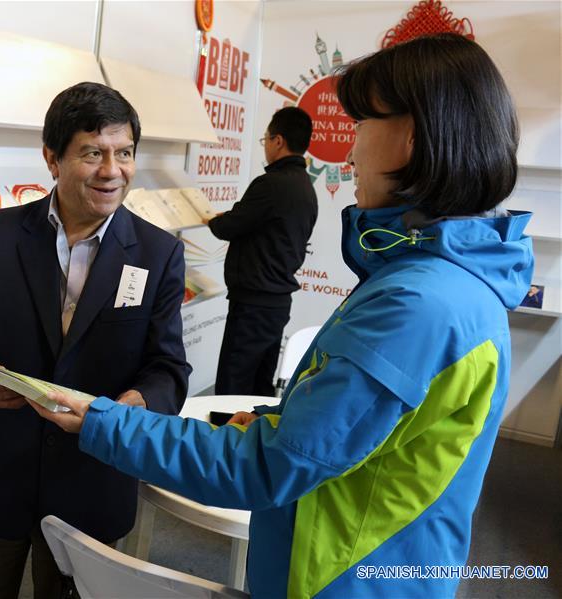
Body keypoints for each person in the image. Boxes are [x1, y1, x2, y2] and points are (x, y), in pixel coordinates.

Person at [29, 34, 532, 598]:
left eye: (362, 125)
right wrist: (289, 417)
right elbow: (349, 436)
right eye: (92, 153)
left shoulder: (420, 304)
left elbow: (265, 467)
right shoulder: (441, 283)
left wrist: (102, 421)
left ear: (411, 137)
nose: (350, 151)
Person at [0, 81, 191, 599]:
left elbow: (168, 368)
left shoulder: (158, 252)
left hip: (93, 481)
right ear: (52, 158)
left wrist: (130, 409)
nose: (111, 171)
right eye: (92, 153)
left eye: (124, 153)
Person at [204, 106, 318, 396]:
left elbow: (228, 227)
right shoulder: (305, 186)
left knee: (233, 383)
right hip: (277, 302)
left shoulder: (270, 184)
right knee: (258, 385)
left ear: (278, 140)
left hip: (253, 304)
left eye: (266, 139)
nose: (266, 145)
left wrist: (212, 219)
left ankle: (224, 439)